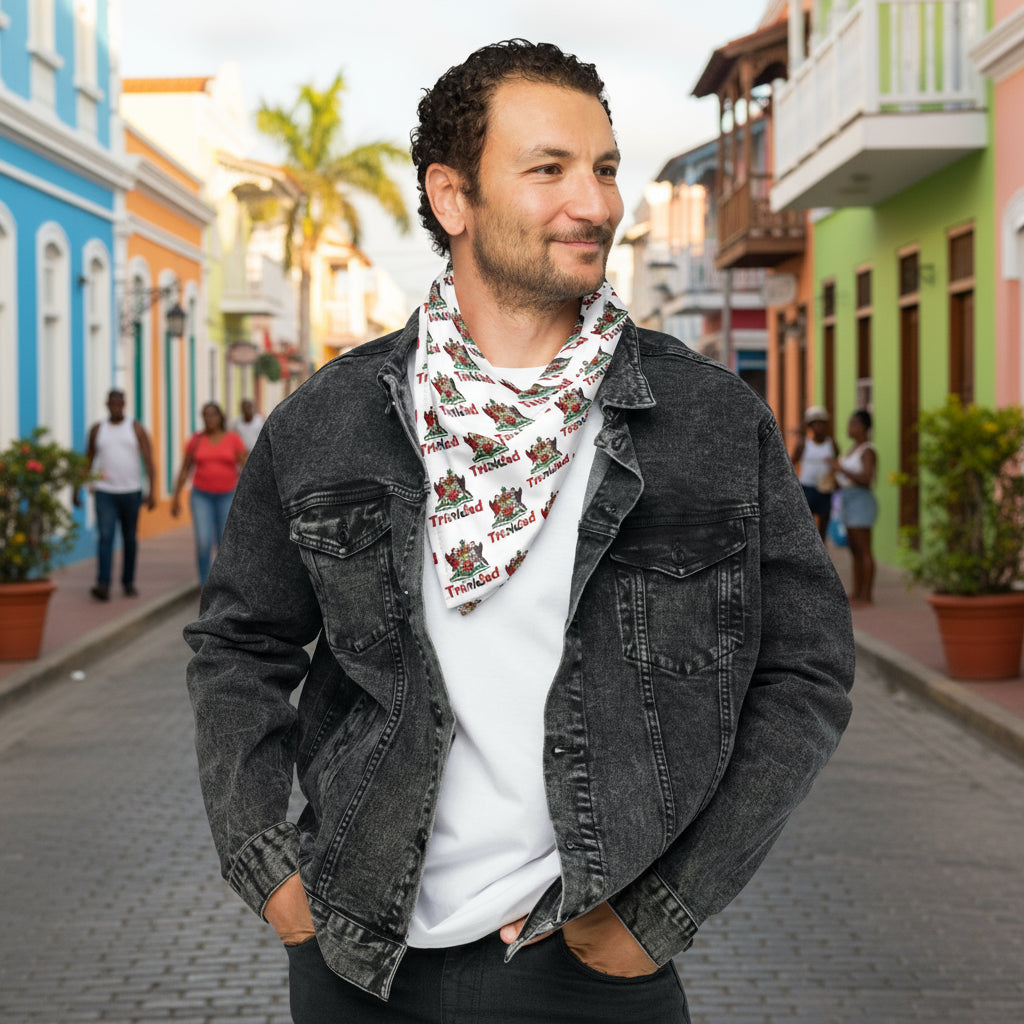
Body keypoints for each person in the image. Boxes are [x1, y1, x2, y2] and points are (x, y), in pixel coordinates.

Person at [184, 40, 855, 1024]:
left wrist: (660, 912)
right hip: (358, 961)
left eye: (605, 168)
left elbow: (805, 669)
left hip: (588, 968)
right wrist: (272, 872)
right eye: (549, 169)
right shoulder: (328, 422)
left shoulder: (708, 423)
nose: (595, 203)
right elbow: (240, 646)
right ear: (452, 198)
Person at [79, 389, 157, 601]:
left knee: (129, 538)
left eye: (119, 403)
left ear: (124, 404)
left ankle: (128, 581)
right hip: (105, 492)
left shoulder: (135, 428)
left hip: (131, 492)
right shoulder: (98, 429)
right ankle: (103, 584)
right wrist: (77, 489)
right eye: (112, 403)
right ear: (107, 405)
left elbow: (148, 460)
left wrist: (152, 491)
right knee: (105, 536)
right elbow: (88, 459)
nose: (115, 407)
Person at [171, 401, 246, 585]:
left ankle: (223, 584)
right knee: (203, 541)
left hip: (227, 496)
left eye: (213, 415)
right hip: (201, 496)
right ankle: (204, 584)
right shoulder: (196, 440)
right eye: (205, 415)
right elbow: (185, 469)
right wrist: (175, 498)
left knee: (224, 543)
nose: (209, 419)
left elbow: (246, 468)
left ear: (220, 417)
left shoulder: (233, 439)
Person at [832, 408, 877, 606]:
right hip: (848, 500)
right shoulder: (852, 449)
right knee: (855, 550)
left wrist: (841, 469)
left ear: (863, 427)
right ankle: (857, 592)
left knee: (864, 549)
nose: (849, 428)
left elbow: (867, 478)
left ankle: (867, 595)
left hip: (861, 501)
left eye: (853, 424)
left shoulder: (867, 450)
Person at [790, 405, 838, 542]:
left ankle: (822, 550)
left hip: (825, 489)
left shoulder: (832, 444)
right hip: (807, 488)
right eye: (814, 424)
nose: (818, 427)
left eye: (821, 424)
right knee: (805, 525)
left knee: (823, 526)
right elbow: (791, 463)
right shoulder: (804, 444)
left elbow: (837, 464)